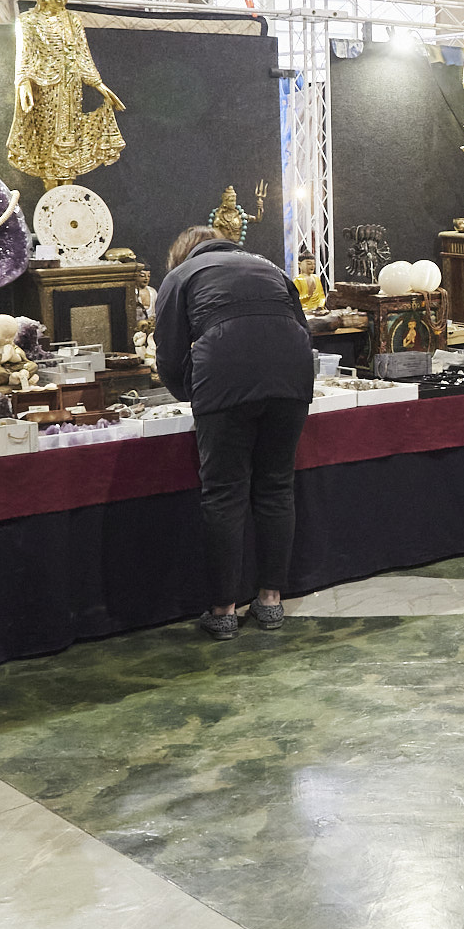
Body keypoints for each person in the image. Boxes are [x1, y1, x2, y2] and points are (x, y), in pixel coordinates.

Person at [154, 224, 315, 639]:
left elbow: (169, 356)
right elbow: (302, 328)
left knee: (224, 493)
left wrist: (193, 395)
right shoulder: (270, 268)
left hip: (224, 380)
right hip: (292, 378)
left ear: (181, 255)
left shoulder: (180, 276)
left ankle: (223, 610)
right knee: (276, 486)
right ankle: (271, 601)